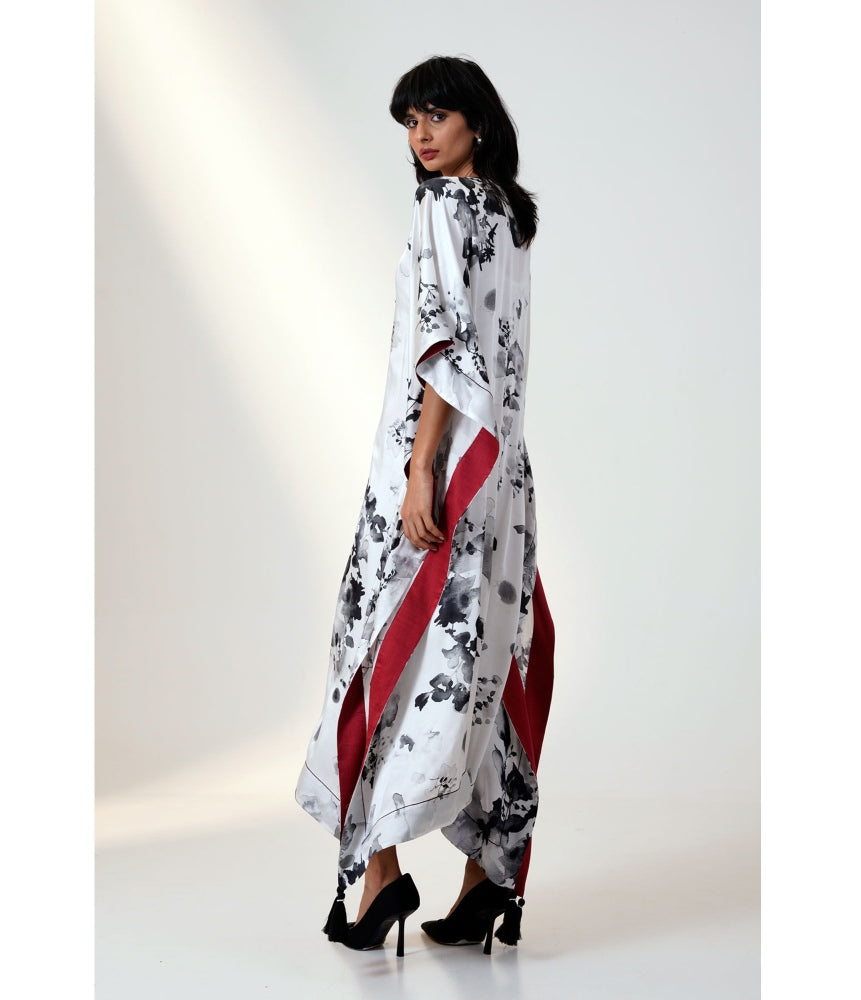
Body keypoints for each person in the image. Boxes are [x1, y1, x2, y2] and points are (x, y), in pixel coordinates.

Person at [294, 54, 555, 958]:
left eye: (436, 115)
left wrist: (417, 470)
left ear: (476, 120)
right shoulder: (509, 215)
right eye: (410, 121)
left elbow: (444, 346)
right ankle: (490, 876)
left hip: (441, 472)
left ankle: (380, 876)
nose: (421, 135)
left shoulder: (444, 206)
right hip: (501, 479)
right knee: (480, 662)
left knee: (380, 654)